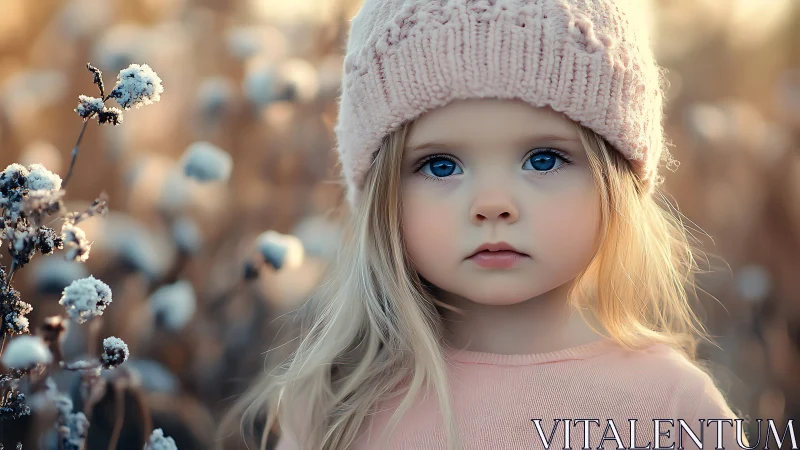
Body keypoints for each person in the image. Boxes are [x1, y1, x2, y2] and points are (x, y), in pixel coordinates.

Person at [219, 0, 751, 449]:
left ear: (616, 180)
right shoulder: (338, 407)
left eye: (544, 159)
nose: (493, 205)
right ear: (382, 197)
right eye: (440, 165)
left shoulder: (671, 408)